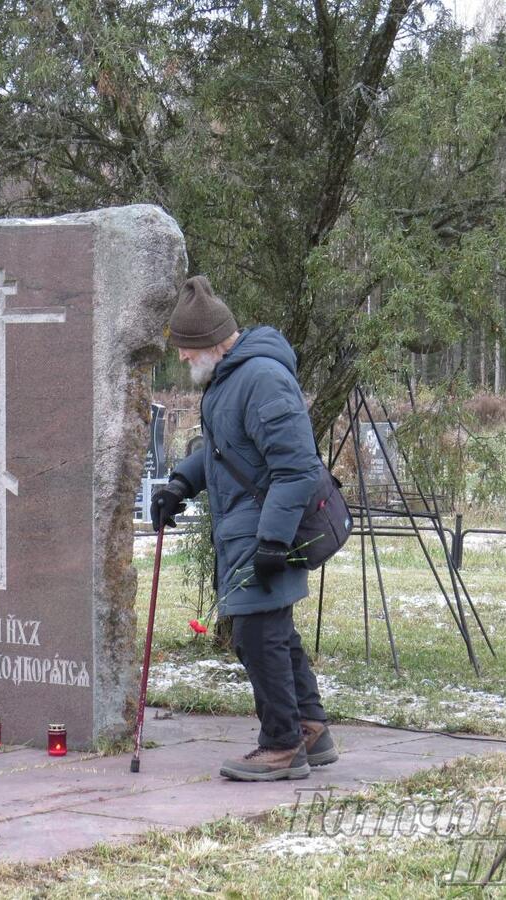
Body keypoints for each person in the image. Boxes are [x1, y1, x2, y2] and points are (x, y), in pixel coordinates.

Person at [151, 275, 338, 782]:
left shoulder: (261, 380)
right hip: (247, 531)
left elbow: (297, 466)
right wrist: (178, 486)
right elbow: (222, 453)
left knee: (258, 636)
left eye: (187, 349)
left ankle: (281, 746)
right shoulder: (228, 381)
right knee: (273, 632)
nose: (184, 359)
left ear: (212, 342)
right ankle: (310, 729)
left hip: (264, 534)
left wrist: (273, 540)